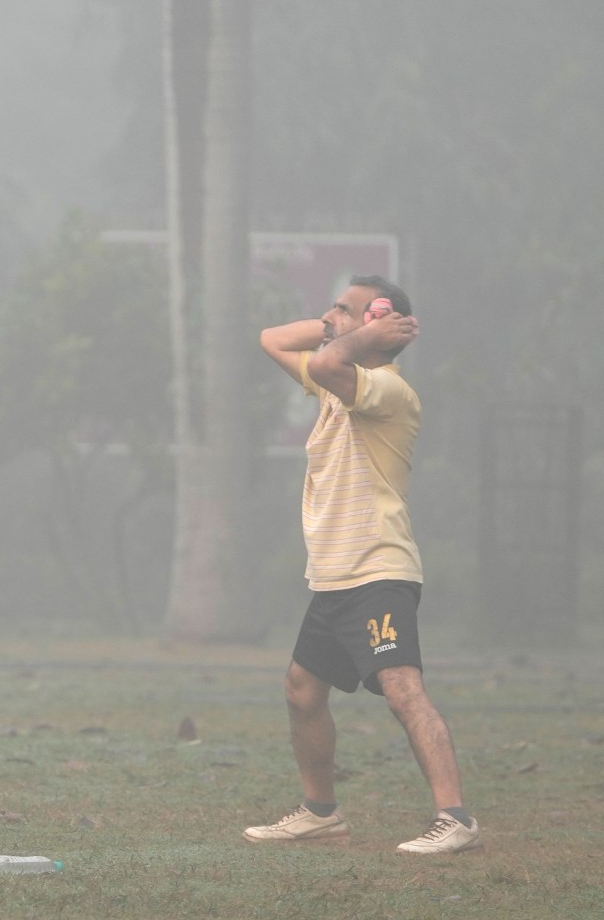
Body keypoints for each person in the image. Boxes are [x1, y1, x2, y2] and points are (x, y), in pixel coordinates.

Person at [242, 276, 479, 855]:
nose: (329, 318)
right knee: (302, 689)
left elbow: (325, 366)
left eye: (344, 311)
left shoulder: (389, 390)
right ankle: (321, 812)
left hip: (378, 570)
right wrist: (340, 324)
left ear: (379, 327)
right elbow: (272, 338)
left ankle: (457, 819)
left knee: (402, 691)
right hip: (334, 574)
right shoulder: (335, 384)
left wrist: (361, 333)